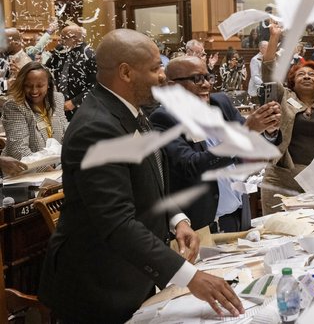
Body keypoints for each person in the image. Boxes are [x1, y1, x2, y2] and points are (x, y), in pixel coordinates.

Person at [38, 29, 244, 323]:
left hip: (133, 274)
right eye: (156, 68)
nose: (163, 76)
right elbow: (117, 222)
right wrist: (190, 277)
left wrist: (177, 219)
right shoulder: (97, 128)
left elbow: (150, 175)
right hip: (100, 286)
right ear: (126, 72)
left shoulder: (131, 111)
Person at [150, 55, 281, 232]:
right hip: (204, 223)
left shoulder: (221, 103)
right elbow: (191, 165)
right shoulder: (164, 118)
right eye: (197, 79)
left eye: (207, 77)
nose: (206, 84)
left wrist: (269, 129)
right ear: (173, 85)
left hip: (238, 214)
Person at [260, 23, 314, 213]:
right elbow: (268, 72)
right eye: (301, 74)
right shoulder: (283, 96)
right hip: (281, 177)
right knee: (275, 232)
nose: (307, 77)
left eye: (312, 75)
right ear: (292, 82)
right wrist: (274, 37)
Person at [1, 62, 68, 169]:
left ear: (49, 85)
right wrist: (45, 169)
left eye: (40, 86)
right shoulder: (14, 106)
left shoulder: (57, 99)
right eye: (28, 86)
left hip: (57, 169)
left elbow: (66, 133)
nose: (34, 91)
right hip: (24, 172)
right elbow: (19, 150)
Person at [45, 25, 97, 120]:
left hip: (80, 108)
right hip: (58, 103)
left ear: (75, 39)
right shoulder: (60, 49)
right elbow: (47, 67)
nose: (60, 40)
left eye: (64, 38)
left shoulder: (89, 55)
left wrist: (74, 102)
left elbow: (95, 86)